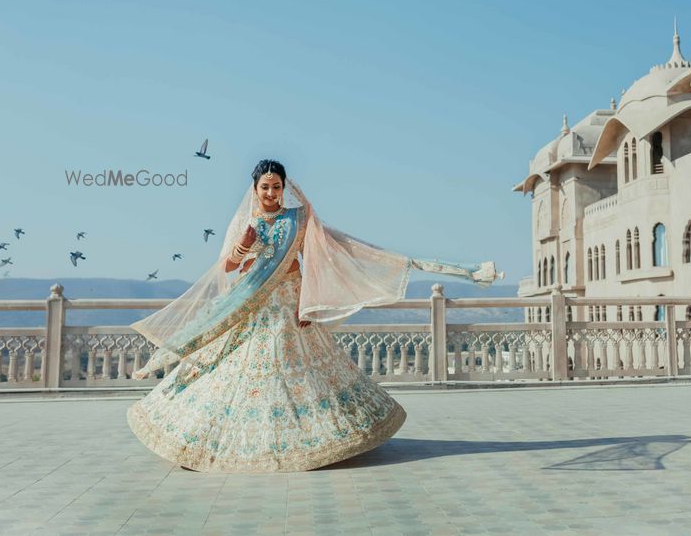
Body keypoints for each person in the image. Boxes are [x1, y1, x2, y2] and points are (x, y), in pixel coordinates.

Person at [126, 159, 501, 472]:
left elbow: (320, 258)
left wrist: (309, 303)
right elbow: (229, 270)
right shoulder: (247, 224)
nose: (271, 193)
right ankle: (225, 440)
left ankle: (317, 439)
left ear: (284, 188)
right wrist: (242, 248)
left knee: (298, 374)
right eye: (265, 187)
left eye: (276, 186)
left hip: (292, 307)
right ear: (254, 189)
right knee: (243, 374)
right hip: (256, 310)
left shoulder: (299, 220)